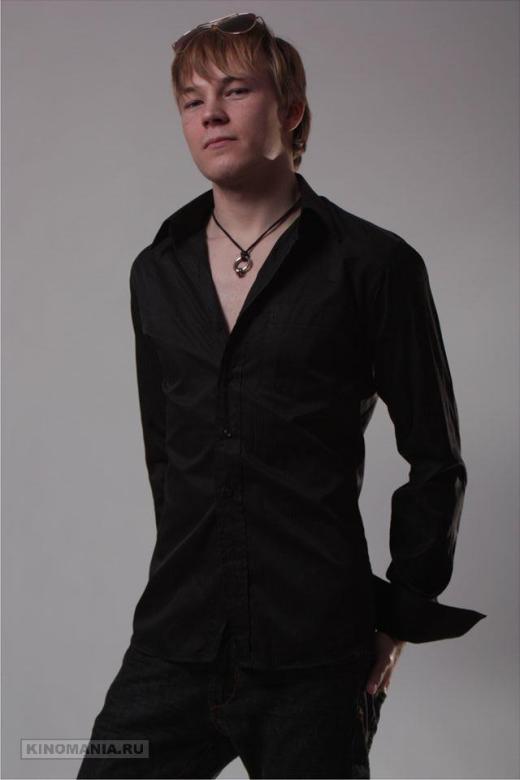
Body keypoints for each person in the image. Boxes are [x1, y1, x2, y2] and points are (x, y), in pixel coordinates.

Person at [77, 11, 486, 779]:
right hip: (177, 642)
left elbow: (436, 457)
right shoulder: (156, 271)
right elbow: (167, 455)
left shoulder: (375, 266)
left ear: (291, 110)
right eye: (192, 99)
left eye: (235, 90)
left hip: (317, 658)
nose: (211, 113)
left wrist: (400, 612)